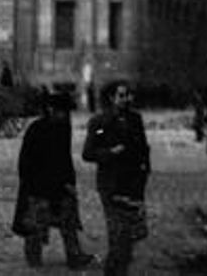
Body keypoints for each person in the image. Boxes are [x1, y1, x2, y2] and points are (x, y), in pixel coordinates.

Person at [11, 92, 94, 269]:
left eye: (66, 113)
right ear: (51, 110)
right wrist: (32, 186)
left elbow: (64, 157)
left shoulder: (63, 127)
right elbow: (26, 162)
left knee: (69, 222)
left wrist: (70, 182)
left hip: (60, 183)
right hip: (38, 186)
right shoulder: (36, 129)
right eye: (61, 112)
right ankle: (34, 258)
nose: (65, 116)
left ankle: (74, 256)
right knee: (35, 226)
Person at [82, 80, 150, 276]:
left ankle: (121, 271)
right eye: (121, 95)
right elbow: (88, 153)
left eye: (129, 95)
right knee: (117, 235)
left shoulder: (135, 119)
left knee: (129, 238)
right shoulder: (100, 122)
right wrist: (110, 152)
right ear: (111, 98)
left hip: (132, 186)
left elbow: (143, 149)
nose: (127, 99)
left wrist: (144, 174)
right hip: (111, 186)